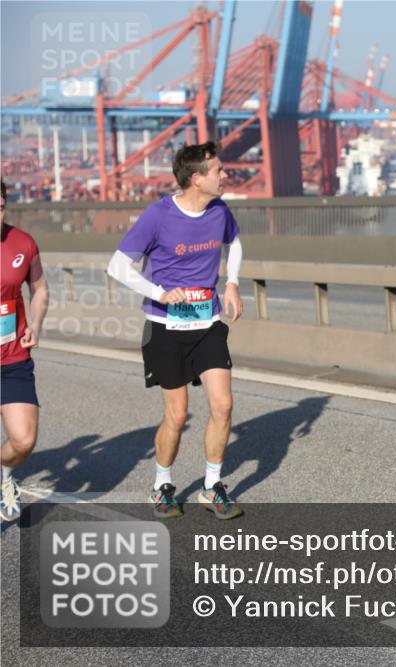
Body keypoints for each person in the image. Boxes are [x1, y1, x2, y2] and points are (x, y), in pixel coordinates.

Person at [106, 141, 244, 520]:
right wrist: (160, 293)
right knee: (178, 414)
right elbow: (117, 267)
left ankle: (212, 486)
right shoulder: (158, 216)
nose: (224, 174)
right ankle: (162, 486)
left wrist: (231, 282)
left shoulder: (219, 211)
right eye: (218, 170)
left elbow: (234, 243)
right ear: (196, 179)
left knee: (223, 404)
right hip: (165, 327)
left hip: (207, 323)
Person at [1, 179, 50, 521]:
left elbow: (40, 288)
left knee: (24, 439)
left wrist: (35, 322)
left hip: (12, 356)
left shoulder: (22, 243)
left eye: (1, 206)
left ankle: (4, 476)